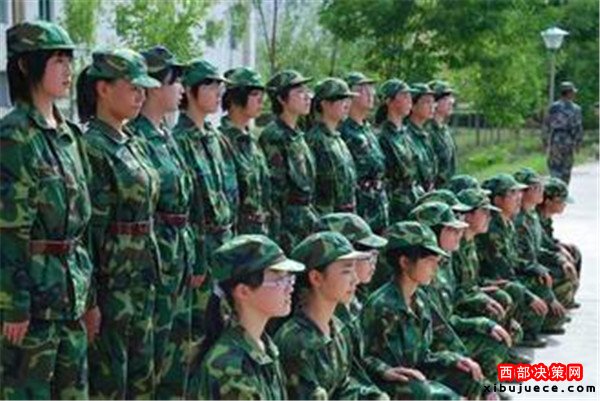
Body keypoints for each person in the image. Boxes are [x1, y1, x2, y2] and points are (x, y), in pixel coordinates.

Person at [0, 20, 93, 400]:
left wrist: (91, 298)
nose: (68, 69)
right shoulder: (14, 135)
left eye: (69, 60)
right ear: (26, 65)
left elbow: (83, 224)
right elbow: (8, 230)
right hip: (34, 304)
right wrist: (14, 304)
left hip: (72, 296)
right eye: (57, 60)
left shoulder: (70, 135)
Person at [77, 48, 162, 398]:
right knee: (110, 381)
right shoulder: (91, 147)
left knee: (142, 377)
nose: (141, 96)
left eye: (144, 89)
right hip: (112, 285)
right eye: (133, 88)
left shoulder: (134, 143)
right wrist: (90, 300)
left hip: (141, 279)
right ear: (103, 89)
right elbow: (87, 232)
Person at [128, 46, 194, 399]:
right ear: (154, 87)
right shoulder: (136, 137)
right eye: (175, 80)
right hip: (154, 259)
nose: (181, 88)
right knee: (151, 356)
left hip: (178, 254)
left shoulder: (166, 135)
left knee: (177, 352)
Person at [171, 58, 235, 396]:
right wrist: (196, 257)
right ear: (190, 91)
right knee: (198, 331)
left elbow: (230, 196)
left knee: (225, 326)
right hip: (200, 251)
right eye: (210, 85)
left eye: (220, 85)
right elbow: (186, 208)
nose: (218, 91)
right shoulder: (179, 140)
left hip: (224, 244)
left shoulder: (215, 138)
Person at [275, 232, 389, 400]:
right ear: (316, 278)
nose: (355, 279)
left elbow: (343, 388)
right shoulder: (295, 343)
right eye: (346, 271)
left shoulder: (338, 329)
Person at [408, 202, 510, 389]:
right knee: (481, 355)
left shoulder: (444, 264)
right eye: (451, 230)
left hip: (447, 332)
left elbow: (452, 304)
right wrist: (462, 354)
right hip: (432, 348)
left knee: (496, 338)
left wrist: (482, 316)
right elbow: (439, 327)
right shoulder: (421, 275)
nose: (459, 235)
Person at [361, 222, 463, 400]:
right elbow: (362, 357)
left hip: (418, 376)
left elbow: (432, 349)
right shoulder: (381, 305)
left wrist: (456, 360)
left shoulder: (420, 298)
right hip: (391, 384)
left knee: (466, 374)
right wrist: (384, 370)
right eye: (429, 261)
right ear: (405, 262)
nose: (435, 268)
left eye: (437, 262)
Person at [197, 235, 305, 399]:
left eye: (290, 278)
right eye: (279, 280)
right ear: (243, 291)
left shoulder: (263, 346)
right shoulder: (231, 366)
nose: (290, 288)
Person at [316, 213, 391, 399]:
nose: (374, 263)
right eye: (368, 255)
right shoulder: (326, 310)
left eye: (375, 255)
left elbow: (359, 361)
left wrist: (383, 370)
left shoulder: (356, 300)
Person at [474, 174, 549, 348]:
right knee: (516, 290)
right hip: (491, 280)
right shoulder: (492, 230)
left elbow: (514, 260)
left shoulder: (507, 223)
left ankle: (523, 330)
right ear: (497, 200)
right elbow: (503, 270)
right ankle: (512, 337)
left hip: (503, 278)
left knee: (538, 279)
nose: (518, 198)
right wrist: (528, 296)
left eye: (519, 192)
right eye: (512, 193)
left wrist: (534, 268)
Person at [259, 70, 317, 252]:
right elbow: (275, 193)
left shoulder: (298, 135)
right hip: (287, 228)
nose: (307, 97)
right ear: (281, 99)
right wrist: (276, 239)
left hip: (305, 221)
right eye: (299, 92)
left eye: (307, 91)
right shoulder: (274, 136)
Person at [513, 168, 573, 334]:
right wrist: (540, 270)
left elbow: (541, 245)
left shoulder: (531, 215)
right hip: (520, 272)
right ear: (523, 192)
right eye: (536, 188)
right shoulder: (518, 221)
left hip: (529, 266)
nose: (541, 191)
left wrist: (560, 257)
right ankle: (536, 323)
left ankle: (552, 313)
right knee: (541, 279)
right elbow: (520, 259)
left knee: (560, 266)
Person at [219, 67, 271, 235]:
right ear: (235, 98)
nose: (261, 101)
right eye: (254, 94)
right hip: (237, 235)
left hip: (259, 233)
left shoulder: (252, 141)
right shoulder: (221, 141)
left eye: (261, 95)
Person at [339, 72, 389, 234]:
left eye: (370, 89)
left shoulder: (368, 129)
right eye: (362, 89)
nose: (370, 94)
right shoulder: (343, 131)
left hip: (378, 204)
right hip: (360, 206)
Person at [307, 77, 358, 215]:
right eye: (341, 99)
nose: (347, 105)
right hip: (326, 216)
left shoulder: (338, 139)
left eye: (348, 100)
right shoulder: (314, 140)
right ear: (324, 104)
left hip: (345, 216)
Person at [376, 79, 422, 222]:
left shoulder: (406, 134)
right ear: (389, 101)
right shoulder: (382, 136)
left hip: (412, 200)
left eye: (410, 96)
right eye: (404, 96)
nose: (410, 101)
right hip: (395, 206)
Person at [536, 177, 581, 309]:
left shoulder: (546, 217)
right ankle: (557, 301)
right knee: (561, 268)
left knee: (573, 251)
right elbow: (539, 245)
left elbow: (548, 240)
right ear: (548, 201)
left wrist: (560, 247)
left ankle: (569, 296)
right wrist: (560, 256)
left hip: (545, 252)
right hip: (538, 258)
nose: (564, 205)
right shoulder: (535, 218)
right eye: (560, 201)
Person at [544, 81, 584, 184]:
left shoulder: (553, 107)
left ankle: (555, 189)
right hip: (568, 141)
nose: (574, 95)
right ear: (569, 93)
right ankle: (564, 189)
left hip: (556, 140)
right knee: (566, 169)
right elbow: (578, 127)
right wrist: (578, 143)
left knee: (554, 168)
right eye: (573, 92)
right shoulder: (576, 109)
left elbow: (546, 124)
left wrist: (545, 141)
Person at [405, 83, 438, 191]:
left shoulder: (425, 134)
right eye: (427, 102)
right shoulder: (406, 135)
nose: (432, 106)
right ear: (413, 106)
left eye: (433, 102)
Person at [427, 80, 458, 187]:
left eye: (451, 98)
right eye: (445, 99)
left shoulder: (444, 130)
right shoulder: (427, 132)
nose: (451, 102)